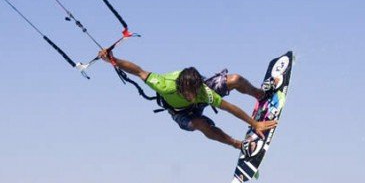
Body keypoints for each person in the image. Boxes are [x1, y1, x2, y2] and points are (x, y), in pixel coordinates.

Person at [99, 49, 278, 157]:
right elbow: (138, 71)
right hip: (180, 113)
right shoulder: (164, 85)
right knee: (200, 123)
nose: (192, 96)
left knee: (235, 79)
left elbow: (229, 108)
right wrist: (112, 60)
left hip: (198, 87)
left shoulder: (202, 92)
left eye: (195, 93)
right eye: (189, 93)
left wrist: (255, 124)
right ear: (181, 88)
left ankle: (260, 94)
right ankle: (239, 145)